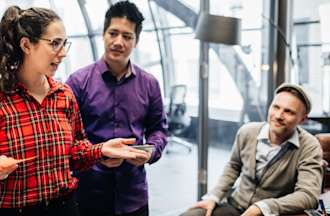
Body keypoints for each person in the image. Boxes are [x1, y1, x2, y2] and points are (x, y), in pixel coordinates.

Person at [0, 6, 147, 216]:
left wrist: (101, 149)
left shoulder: (64, 94)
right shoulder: (3, 97)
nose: (63, 53)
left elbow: (75, 152)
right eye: (55, 44)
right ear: (26, 45)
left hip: (65, 207)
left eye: (64, 43)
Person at [66, 1, 167, 216]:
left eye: (127, 36)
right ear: (103, 34)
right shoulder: (77, 82)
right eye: (113, 33)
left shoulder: (150, 84)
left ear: (136, 41)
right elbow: (67, 137)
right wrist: (97, 153)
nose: (118, 42)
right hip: (89, 193)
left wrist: (149, 152)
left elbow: (158, 129)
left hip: (134, 195)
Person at [181, 83, 323, 216]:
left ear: (303, 119)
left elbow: (308, 195)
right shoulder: (247, 132)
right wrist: (214, 196)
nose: (278, 115)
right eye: (276, 107)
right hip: (235, 205)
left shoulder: (310, 146)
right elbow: (233, 167)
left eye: (289, 112)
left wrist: (263, 207)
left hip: (269, 213)